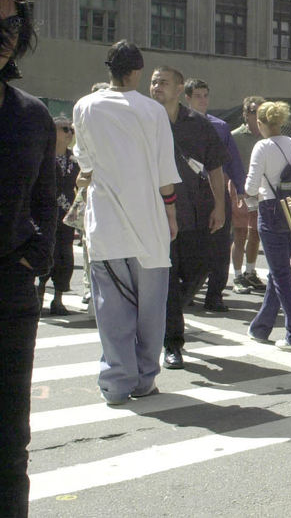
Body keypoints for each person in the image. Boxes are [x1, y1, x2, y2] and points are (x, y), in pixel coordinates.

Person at [74, 41, 180, 408]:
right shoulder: (152, 112)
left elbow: (84, 163)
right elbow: (166, 172)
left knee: (112, 308)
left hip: (105, 222)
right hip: (149, 221)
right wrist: (171, 213)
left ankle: (117, 382)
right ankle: (145, 377)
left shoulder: (84, 107)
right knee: (151, 310)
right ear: (136, 72)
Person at [0, 0, 56, 516]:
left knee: (9, 439)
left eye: (13, 25)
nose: (4, 36)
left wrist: (34, 259)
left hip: (11, 291)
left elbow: (47, 201)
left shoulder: (31, 114)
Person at [150, 66, 227, 370]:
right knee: (168, 279)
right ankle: (172, 343)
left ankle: (164, 314)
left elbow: (216, 167)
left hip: (193, 212)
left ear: (179, 88)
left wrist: (219, 205)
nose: (157, 87)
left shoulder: (198, 123)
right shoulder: (144, 119)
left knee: (199, 269)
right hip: (155, 213)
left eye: (163, 82)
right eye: (154, 81)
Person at [244, 101, 291, 353]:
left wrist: (250, 194)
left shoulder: (262, 146)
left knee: (281, 274)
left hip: (271, 210)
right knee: (277, 270)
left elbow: (251, 187)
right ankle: (261, 327)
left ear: (261, 123)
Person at [184, 78, 245, 313]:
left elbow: (231, 161)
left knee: (220, 246)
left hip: (216, 192)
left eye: (205, 95)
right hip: (188, 195)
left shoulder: (219, 127)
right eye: (198, 95)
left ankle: (215, 294)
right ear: (187, 98)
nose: (203, 100)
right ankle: (188, 291)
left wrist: (239, 189)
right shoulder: (176, 124)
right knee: (190, 245)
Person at [38, 114, 79, 316]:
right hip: (46, 213)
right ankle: (39, 292)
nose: (69, 133)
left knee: (65, 257)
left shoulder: (75, 160)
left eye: (71, 129)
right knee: (46, 252)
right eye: (64, 129)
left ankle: (59, 298)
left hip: (67, 216)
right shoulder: (42, 157)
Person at [231, 96, 266, 294]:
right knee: (240, 233)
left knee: (256, 233)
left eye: (260, 111)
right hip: (240, 190)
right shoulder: (235, 136)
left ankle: (250, 272)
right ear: (245, 114)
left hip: (261, 192)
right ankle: (237, 276)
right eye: (253, 111)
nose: (257, 115)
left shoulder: (267, 136)